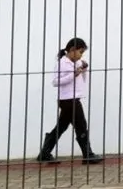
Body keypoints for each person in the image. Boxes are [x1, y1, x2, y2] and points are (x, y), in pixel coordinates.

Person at [37, 37, 103, 165]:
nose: (81, 55)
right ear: (72, 50)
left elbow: (82, 78)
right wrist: (73, 74)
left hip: (73, 99)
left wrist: (84, 68)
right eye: (80, 52)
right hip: (68, 100)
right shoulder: (62, 63)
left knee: (61, 127)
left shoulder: (76, 62)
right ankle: (88, 155)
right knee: (81, 125)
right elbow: (55, 82)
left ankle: (44, 153)